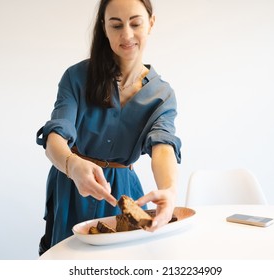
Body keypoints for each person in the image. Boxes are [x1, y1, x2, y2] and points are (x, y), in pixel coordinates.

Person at [36, 0, 181, 256]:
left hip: (123, 195)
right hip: (72, 185)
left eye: (135, 23)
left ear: (151, 23)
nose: (126, 35)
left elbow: (163, 146)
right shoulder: (76, 77)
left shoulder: (162, 94)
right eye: (116, 25)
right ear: (104, 27)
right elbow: (55, 137)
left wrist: (169, 191)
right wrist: (72, 164)